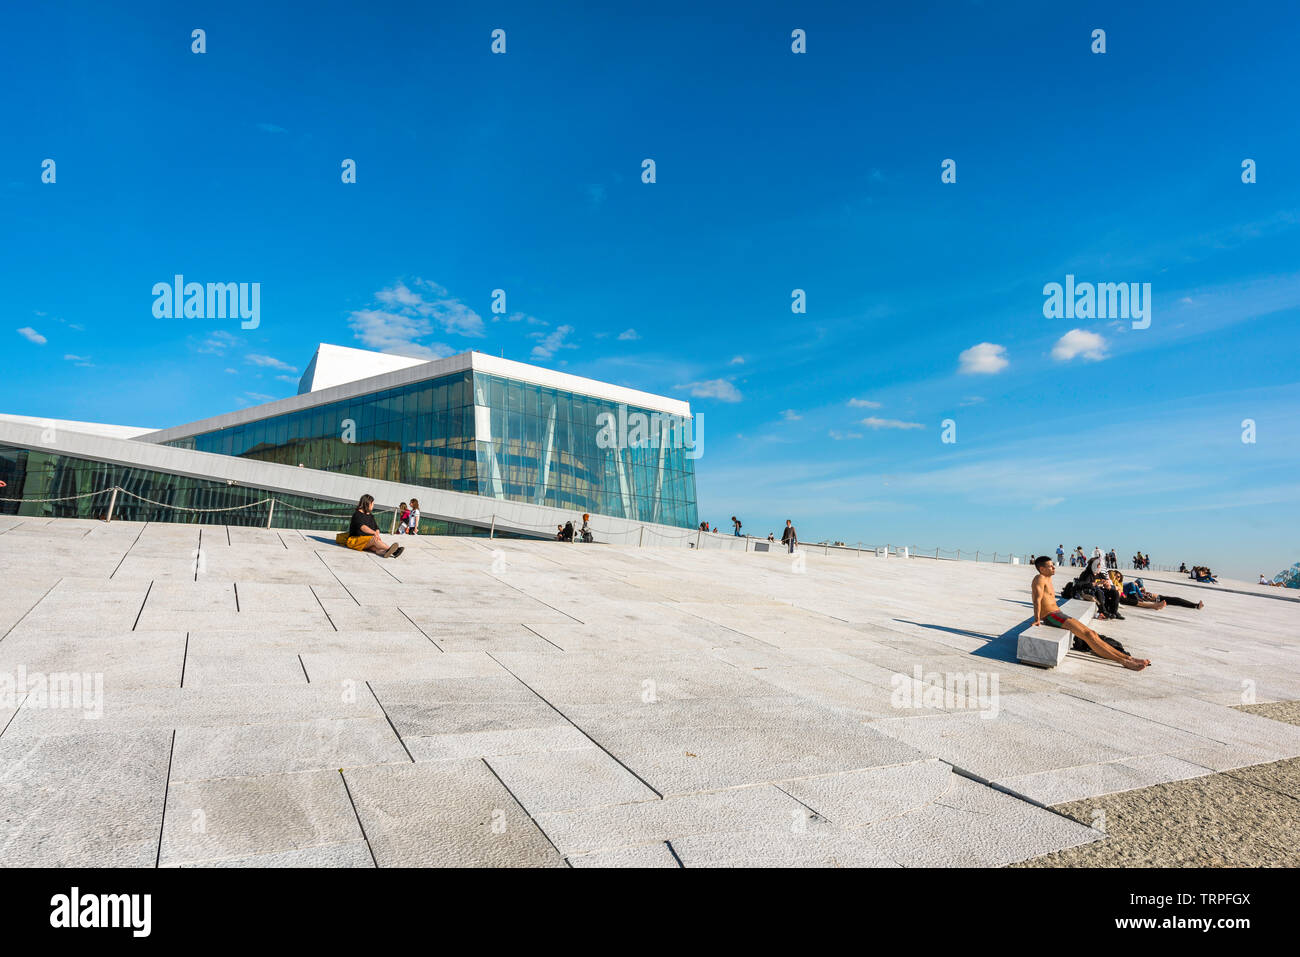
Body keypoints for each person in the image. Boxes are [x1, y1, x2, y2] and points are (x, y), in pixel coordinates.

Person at [1031, 556, 1150, 671]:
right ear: (1042, 569)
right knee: (1088, 635)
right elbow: (1037, 599)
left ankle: (1129, 658)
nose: (1054, 568)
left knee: (1092, 634)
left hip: (1058, 613)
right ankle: (1124, 662)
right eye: (1050, 566)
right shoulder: (1039, 578)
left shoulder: (1048, 578)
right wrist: (1037, 619)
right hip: (1051, 616)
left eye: (1053, 565)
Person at [1127, 577, 1202, 609]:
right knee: (1177, 600)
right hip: (1158, 599)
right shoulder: (1135, 593)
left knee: (1177, 601)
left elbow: (1141, 588)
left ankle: (1195, 605)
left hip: (1159, 597)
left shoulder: (1139, 590)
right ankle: (1195, 605)